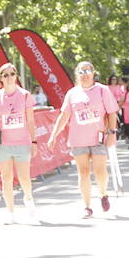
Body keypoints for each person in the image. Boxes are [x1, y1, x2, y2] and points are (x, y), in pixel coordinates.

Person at [47, 61, 119, 218]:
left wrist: (112, 133)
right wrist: (53, 135)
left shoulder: (102, 90)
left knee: (100, 171)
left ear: (93, 73)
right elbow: (64, 115)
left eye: (88, 70)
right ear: (77, 75)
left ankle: (103, 193)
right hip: (78, 139)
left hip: (98, 137)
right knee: (84, 172)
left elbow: (112, 112)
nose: (85, 74)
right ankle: (87, 206)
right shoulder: (72, 93)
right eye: (81, 71)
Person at [0, 62, 39, 223]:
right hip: (3, 144)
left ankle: (28, 199)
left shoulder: (25, 95)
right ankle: (10, 213)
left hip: (22, 143)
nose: (9, 78)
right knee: (6, 178)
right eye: (5, 75)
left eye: (12, 74)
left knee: (24, 178)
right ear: (1, 78)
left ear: (16, 76)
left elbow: (30, 120)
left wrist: (34, 141)